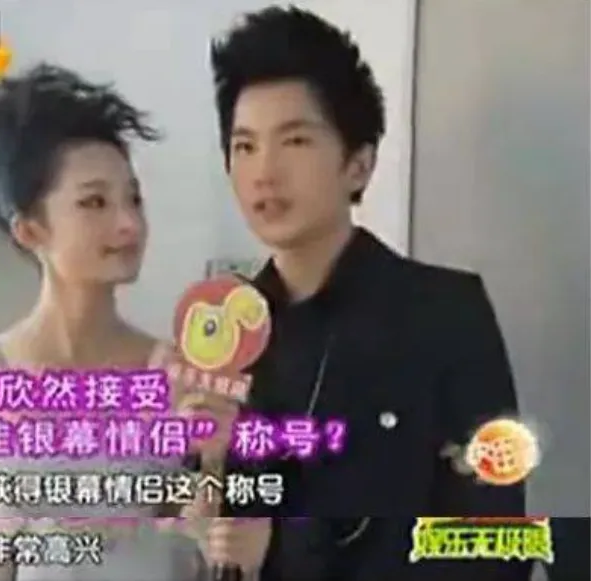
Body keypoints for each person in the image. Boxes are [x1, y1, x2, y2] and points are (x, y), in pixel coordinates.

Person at [195, 6, 534, 581]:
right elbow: (207, 538)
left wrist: (286, 549)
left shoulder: (445, 314)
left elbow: (499, 548)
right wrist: (203, 473)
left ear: (358, 163)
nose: (263, 172)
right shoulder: (223, 334)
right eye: (245, 146)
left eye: (294, 140)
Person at [0, 64, 238, 581]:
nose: (128, 223)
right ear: (30, 229)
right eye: (94, 202)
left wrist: (216, 463)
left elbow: (207, 552)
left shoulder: (178, 378)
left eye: (133, 199)